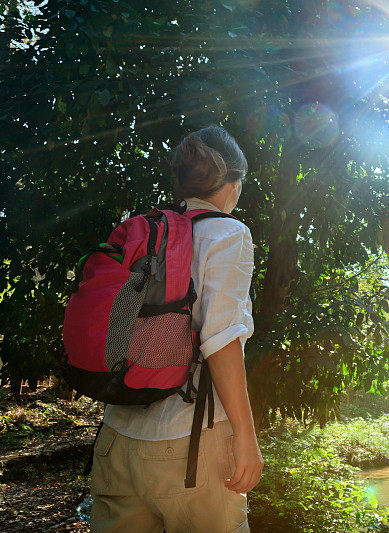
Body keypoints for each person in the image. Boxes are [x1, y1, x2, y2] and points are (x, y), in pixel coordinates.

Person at [89, 126, 263, 532]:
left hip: (117, 436)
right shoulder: (228, 233)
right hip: (190, 447)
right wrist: (246, 438)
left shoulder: (143, 230)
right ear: (233, 183)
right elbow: (221, 342)